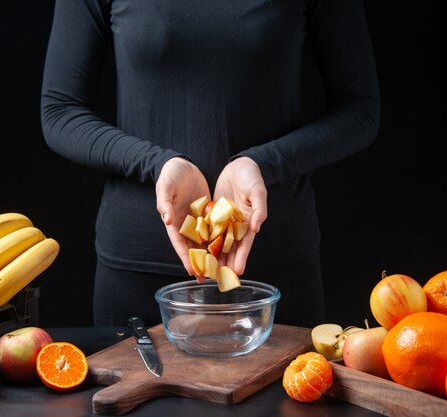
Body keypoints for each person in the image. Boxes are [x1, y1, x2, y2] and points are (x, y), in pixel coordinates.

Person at [40, 0, 380, 328]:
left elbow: (360, 110)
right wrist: (157, 164)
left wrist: (262, 163)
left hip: (274, 273)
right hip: (137, 273)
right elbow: (60, 111)